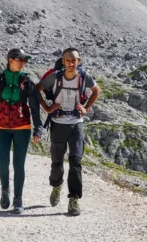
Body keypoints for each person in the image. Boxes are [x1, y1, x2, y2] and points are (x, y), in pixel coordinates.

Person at [38, 47, 101, 216]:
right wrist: (47, 107)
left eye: (74, 60)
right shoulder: (55, 77)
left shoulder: (84, 77)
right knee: (57, 161)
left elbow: (97, 91)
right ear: (64, 61)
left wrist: (86, 108)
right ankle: (56, 186)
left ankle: (74, 199)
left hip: (76, 124)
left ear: (78, 61)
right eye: (68, 60)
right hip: (58, 123)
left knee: (76, 162)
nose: (71, 63)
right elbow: (37, 89)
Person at [0, 48, 43, 215]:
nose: (23, 63)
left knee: (19, 164)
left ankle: (18, 199)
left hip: (22, 127)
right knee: (2, 163)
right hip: (0, 127)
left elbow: (35, 107)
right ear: (10, 60)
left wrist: (38, 128)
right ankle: (5, 189)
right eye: (20, 60)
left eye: (25, 61)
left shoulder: (27, 81)